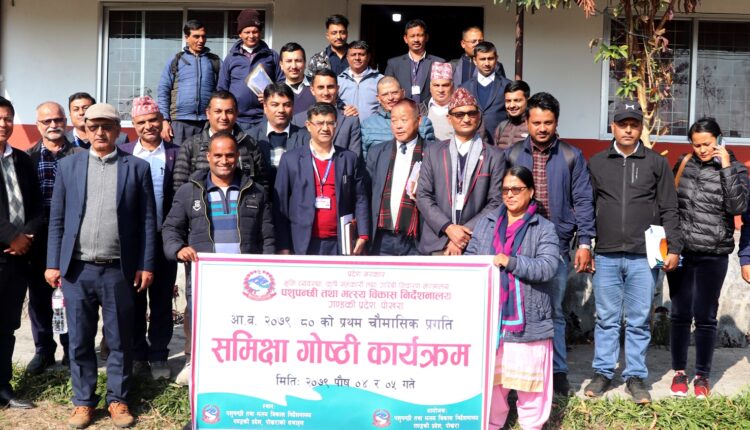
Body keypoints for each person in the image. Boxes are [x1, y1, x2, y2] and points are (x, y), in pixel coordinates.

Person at [46, 103, 156, 428]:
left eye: (106, 126)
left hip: (118, 270)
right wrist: (53, 263)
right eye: (93, 127)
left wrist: (146, 264)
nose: (99, 132)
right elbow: (57, 219)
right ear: (85, 129)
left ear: (117, 130)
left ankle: (118, 400)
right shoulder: (69, 166)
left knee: (120, 339)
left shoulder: (136, 168)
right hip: (77, 270)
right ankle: (83, 402)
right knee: (80, 339)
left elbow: (148, 220)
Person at [584, 101, 682, 404]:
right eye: (623, 124)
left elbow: (669, 207)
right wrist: (585, 243)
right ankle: (603, 372)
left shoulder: (656, 163)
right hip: (607, 253)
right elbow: (587, 207)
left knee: (639, 320)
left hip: (645, 254)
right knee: (606, 319)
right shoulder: (597, 162)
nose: (628, 129)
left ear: (641, 127)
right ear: (612, 127)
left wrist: (674, 247)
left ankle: (635, 376)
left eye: (634, 124)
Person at [162, 131, 274, 389]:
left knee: (243, 321)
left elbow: (267, 235)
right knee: (198, 318)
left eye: (230, 155)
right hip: (205, 274)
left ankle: (240, 368)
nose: (224, 161)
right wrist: (178, 248)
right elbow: (171, 228)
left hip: (245, 276)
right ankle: (193, 361)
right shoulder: (189, 191)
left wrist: (268, 268)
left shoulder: (255, 191)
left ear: (237, 157)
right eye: (219, 155)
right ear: (208, 156)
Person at [503, 92, 596, 396]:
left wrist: (584, 242)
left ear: (556, 122)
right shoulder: (513, 155)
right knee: (515, 310)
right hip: (517, 245)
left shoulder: (571, 155)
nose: (542, 128)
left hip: (556, 245)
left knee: (553, 311)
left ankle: (557, 372)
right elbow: (502, 197)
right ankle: (515, 373)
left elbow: (583, 200)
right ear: (527, 122)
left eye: (548, 122)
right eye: (536, 122)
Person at [465, 166, 559, 430]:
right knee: (492, 383)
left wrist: (511, 262)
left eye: (516, 189)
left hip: (529, 320)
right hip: (491, 319)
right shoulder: (487, 223)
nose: (510, 195)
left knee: (531, 385)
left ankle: (532, 426)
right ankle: (491, 425)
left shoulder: (543, 228)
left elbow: (548, 267)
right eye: (505, 189)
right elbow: (471, 257)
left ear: (531, 192)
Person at [667, 118, 748, 398]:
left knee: (705, 316)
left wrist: (725, 167)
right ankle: (679, 372)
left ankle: (702, 375)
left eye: (707, 144)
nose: (702, 150)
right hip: (681, 251)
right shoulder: (683, 163)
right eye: (696, 144)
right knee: (680, 314)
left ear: (719, 139)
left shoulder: (736, 168)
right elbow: (670, 204)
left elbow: (738, 207)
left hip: (713, 254)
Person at [118, 96, 179, 380]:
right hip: (133, 242)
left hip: (165, 238)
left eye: (153, 120)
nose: (148, 126)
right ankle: (138, 355)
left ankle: (159, 356)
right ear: (134, 124)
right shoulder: (124, 153)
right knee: (134, 300)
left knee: (162, 300)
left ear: (161, 121)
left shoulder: (177, 153)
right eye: (141, 122)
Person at [25, 101, 83, 375]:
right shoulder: (27, 158)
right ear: (37, 125)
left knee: (70, 296)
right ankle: (43, 350)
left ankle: (72, 350)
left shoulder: (81, 156)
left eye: (57, 120)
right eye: (46, 121)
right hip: (37, 238)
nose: (52, 125)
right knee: (39, 297)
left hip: (72, 237)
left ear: (66, 122)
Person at [416, 87, 504, 256]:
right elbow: (423, 195)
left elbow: (496, 201)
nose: (466, 119)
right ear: (449, 119)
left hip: (476, 242)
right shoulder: (434, 152)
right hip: (438, 240)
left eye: (471, 113)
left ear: (479, 117)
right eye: (459, 114)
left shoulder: (494, 156)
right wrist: (448, 228)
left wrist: (463, 234)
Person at [275, 102, 369, 255]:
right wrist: (283, 246)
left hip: (340, 242)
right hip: (302, 242)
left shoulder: (349, 158)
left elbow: (360, 198)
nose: (325, 128)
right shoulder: (290, 159)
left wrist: (363, 235)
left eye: (330, 123)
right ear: (308, 125)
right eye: (319, 123)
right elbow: (281, 207)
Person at [0, 96, 42, 410]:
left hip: (18, 257)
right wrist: (11, 236)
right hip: (4, 248)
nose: (3, 124)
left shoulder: (22, 160)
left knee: (7, 326)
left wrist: (27, 234)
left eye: (8, 118)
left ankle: (2, 386)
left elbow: (38, 204)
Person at [366, 99, 432, 256]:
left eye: (403, 120)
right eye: (394, 120)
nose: (398, 126)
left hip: (417, 238)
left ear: (418, 120)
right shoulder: (377, 152)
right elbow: (367, 193)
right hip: (382, 238)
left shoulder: (433, 152)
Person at [172, 91, 268, 193]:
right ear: (208, 113)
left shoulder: (249, 144)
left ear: (236, 114)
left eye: (229, 112)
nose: (224, 117)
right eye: (218, 111)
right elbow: (179, 187)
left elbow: (262, 185)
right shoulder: (191, 146)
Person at [157, 19, 221, 146]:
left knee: (206, 157)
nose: (201, 40)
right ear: (186, 37)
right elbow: (163, 91)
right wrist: (164, 120)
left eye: (203, 36)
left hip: (207, 122)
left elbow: (223, 91)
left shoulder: (215, 61)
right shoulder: (176, 60)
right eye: (196, 36)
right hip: (179, 123)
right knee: (178, 157)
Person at [217, 8, 283, 130]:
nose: (251, 36)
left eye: (255, 31)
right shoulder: (231, 58)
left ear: (260, 33)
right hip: (237, 119)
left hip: (265, 117)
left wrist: (271, 95)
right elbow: (222, 88)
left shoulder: (271, 56)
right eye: (247, 32)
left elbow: (282, 83)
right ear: (240, 34)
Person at [291, 68, 361, 158]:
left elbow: (354, 157)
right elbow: (294, 157)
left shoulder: (351, 120)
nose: (326, 92)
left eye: (330, 87)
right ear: (312, 90)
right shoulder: (297, 120)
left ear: (337, 89)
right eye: (321, 87)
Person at [246, 83, 307, 184]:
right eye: (275, 105)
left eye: (286, 105)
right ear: (265, 107)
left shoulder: (305, 138)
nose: (281, 110)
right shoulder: (250, 137)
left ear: (293, 108)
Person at [360, 76, 435, 159]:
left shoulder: (422, 123)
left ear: (403, 93)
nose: (390, 98)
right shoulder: (367, 125)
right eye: (385, 94)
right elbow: (366, 161)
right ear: (378, 98)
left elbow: (431, 158)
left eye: (394, 93)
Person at [385, 19, 445, 104]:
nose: (416, 39)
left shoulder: (439, 63)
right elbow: (387, 91)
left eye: (419, 35)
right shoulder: (394, 64)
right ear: (405, 39)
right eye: (412, 36)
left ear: (426, 37)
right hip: (402, 110)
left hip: (429, 110)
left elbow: (445, 90)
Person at [460, 41, 511, 140]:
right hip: (472, 141)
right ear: (475, 60)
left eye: (490, 59)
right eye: (482, 59)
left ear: (496, 59)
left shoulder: (507, 86)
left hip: (500, 142)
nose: (487, 63)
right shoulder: (464, 88)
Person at [337, 40, 383, 122]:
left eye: (361, 54)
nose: (357, 58)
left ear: (368, 57)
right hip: (346, 127)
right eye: (353, 55)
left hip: (372, 127)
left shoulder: (380, 80)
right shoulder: (338, 80)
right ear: (347, 58)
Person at [306, 14, 350, 78]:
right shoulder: (317, 59)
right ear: (327, 36)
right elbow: (311, 82)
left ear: (347, 34)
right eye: (334, 33)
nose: (338, 37)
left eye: (342, 32)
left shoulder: (357, 57)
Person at [280, 42, 315, 115]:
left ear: (305, 63)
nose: (294, 66)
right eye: (289, 61)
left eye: (298, 61)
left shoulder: (317, 86)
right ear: (281, 65)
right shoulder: (276, 91)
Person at [494, 80, 530, 149]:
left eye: (517, 100)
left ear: (528, 101)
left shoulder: (534, 126)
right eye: (508, 101)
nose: (512, 105)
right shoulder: (502, 127)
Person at [425, 62, 455, 142]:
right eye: (436, 85)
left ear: (452, 87)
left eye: (445, 85)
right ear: (430, 87)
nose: (440, 90)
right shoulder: (420, 109)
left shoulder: (461, 110)